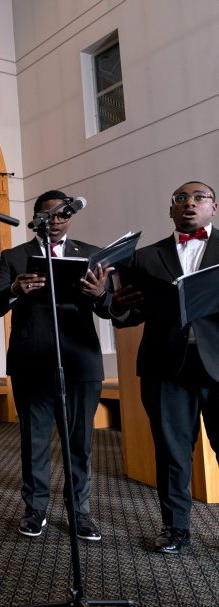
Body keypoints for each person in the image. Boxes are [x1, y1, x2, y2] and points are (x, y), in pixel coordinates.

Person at [0, 190, 111, 540]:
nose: (55, 221)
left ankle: (80, 512)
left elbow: (110, 308)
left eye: (62, 215)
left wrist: (101, 293)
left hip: (80, 360)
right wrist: (13, 288)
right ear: (36, 217)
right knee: (35, 440)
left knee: (79, 442)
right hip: (31, 360)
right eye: (47, 215)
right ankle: (35, 509)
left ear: (71, 217)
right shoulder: (14, 256)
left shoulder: (91, 254)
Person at [111, 181, 219, 554]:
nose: (189, 203)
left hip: (218, 363)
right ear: (170, 210)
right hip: (165, 365)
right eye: (180, 199)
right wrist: (118, 305)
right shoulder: (144, 258)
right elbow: (128, 315)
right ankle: (176, 529)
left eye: (199, 198)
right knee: (172, 451)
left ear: (213, 207)